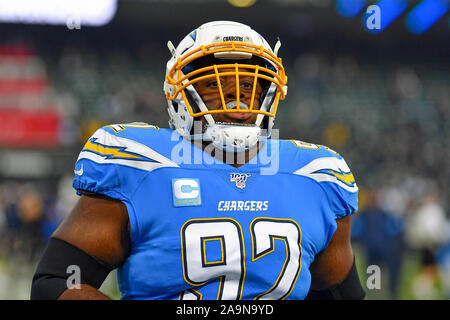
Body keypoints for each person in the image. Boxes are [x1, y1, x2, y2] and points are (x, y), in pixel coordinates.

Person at [31, 21, 365, 300]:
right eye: (215, 84)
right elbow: (56, 282)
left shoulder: (316, 175)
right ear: (179, 92)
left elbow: (340, 293)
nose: (235, 98)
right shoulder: (140, 162)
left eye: (249, 84)